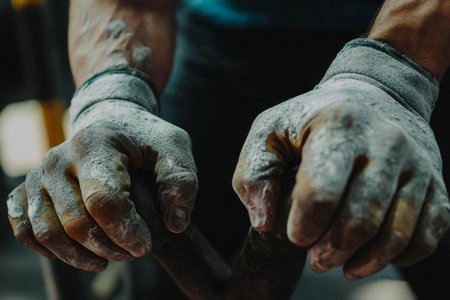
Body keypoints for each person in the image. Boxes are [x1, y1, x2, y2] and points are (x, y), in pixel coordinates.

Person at [7, 0, 450, 298]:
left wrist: (391, 79)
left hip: (422, 43)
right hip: (216, 40)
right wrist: (112, 95)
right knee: (144, 235)